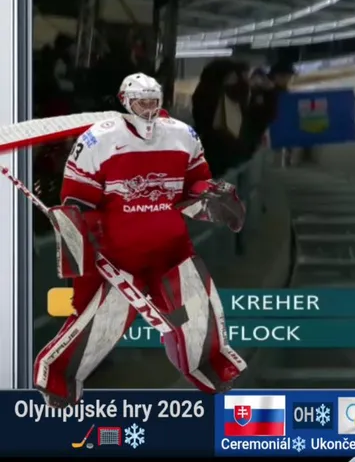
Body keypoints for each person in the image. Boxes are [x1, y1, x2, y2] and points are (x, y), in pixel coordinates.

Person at [33, 73, 248, 406]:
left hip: (171, 248)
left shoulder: (183, 134)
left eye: (152, 101)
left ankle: (209, 365)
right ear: (125, 101)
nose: (147, 109)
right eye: (140, 102)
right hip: (119, 253)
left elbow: (193, 185)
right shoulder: (98, 139)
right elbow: (77, 197)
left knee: (199, 310)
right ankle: (58, 379)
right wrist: (80, 232)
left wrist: (211, 198)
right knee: (100, 324)